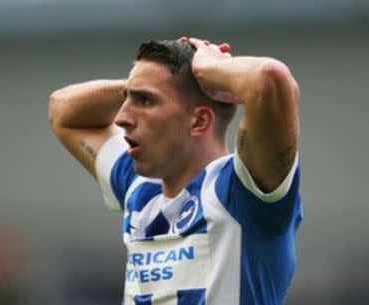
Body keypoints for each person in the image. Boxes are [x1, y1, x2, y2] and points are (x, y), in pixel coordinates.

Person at [48, 37, 302, 305]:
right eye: (127, 99)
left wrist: (204, 68)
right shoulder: (141, 188)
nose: (121, 118)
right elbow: (62, 110)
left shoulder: (242, 193)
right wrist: (144, 82)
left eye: (144, 101)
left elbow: (270, 80)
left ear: (199, 121)